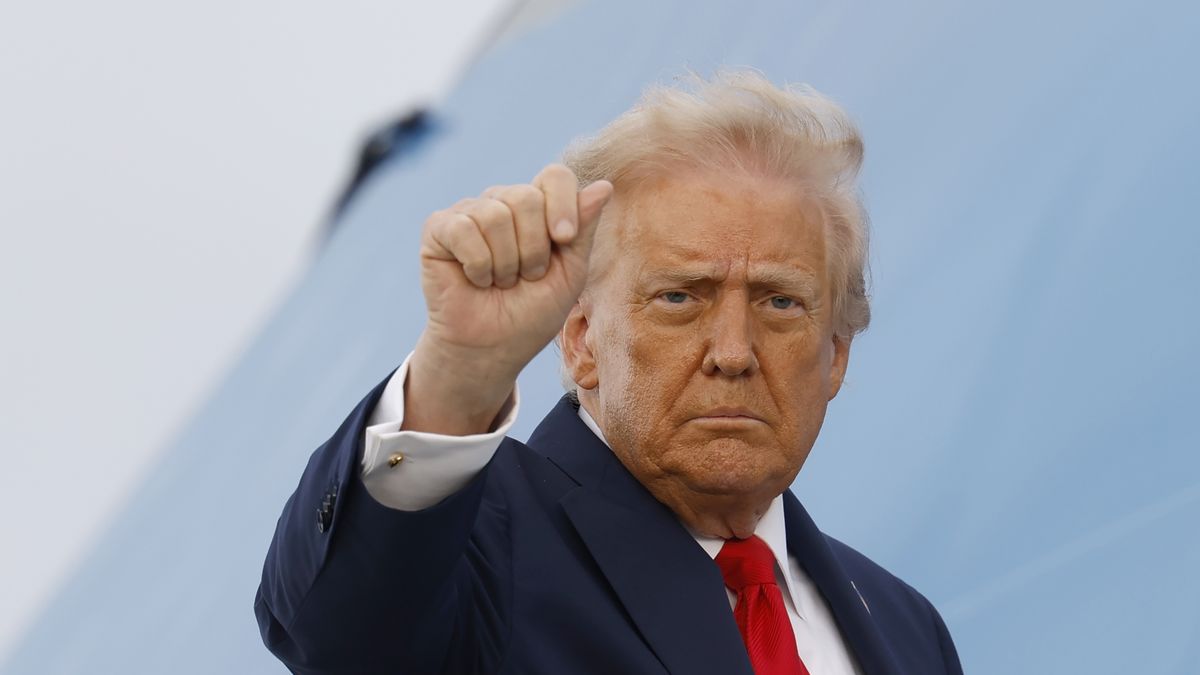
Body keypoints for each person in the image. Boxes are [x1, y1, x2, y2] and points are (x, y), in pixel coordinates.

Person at [255, 70, 964, 674]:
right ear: (581, 338)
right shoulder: (478, 542)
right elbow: (343, 629)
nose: (733, 351)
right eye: (680, 297)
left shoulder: (907, 628)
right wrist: (457, 374)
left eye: (780, 302)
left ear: (836, 353)